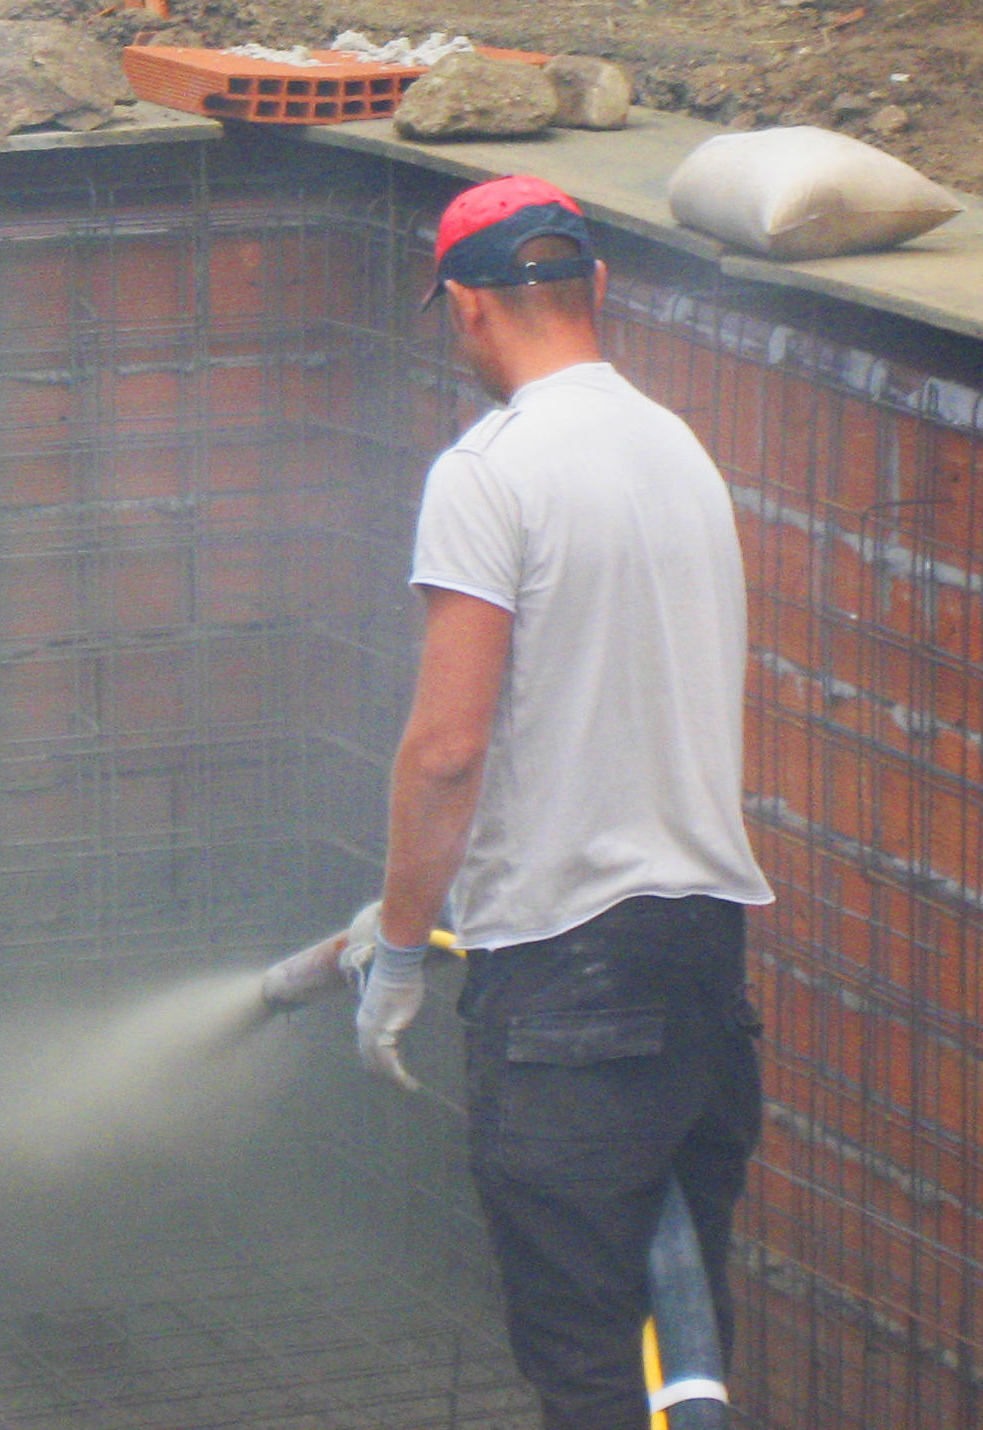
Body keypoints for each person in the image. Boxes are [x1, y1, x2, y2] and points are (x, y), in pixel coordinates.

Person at [353, 174, 775, 1430]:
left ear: (467, 310)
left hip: (568, 984)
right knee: (677, 1347)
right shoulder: (679, 448)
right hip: (701, 963)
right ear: (596, 287)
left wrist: (393, 956)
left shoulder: (490, 471)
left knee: (588, 1367)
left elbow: (445, 749)